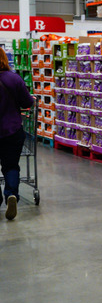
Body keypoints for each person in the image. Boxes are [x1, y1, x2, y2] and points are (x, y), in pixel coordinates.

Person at [0, 48, 35, 221]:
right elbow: (27, 102)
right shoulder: (14, 79)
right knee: (11, 166)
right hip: (12, 130)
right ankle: (11, 195)